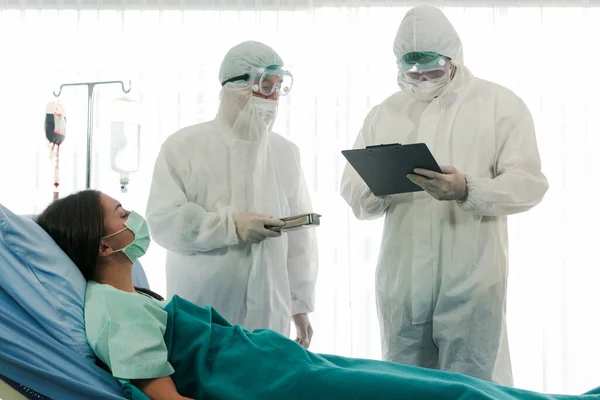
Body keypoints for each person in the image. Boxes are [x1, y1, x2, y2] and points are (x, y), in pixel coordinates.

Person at [36, 190, 597, 400]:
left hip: (281, 364)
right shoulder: (112, 307)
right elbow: (166, 398)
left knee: (450, 384)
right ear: (104, 241)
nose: (132, 214)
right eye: (119, 211)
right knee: (443, 396)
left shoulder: (136, 296)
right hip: (272, 383)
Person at [340, 5, 549, 386]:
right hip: (403, 285)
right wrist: (378, 185)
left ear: (454, 59)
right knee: (406, 388)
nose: (422, 79)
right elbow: (352, 189)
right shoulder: (385, 112)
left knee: (472, 387)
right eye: (411, 71)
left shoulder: (498, 104)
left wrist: (468, 188)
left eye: (433, 70)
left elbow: (530, 183)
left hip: (470, 282)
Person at [145, 41, 318, 347]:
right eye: (266, 86)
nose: (274, 98)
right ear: (236, 87)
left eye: (279, 87)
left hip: (270, 309)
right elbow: (163, 222)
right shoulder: (184, 146)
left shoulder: (285, 152)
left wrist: (299, 307)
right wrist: (230, 227)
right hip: (204, 308)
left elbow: (300, 241)